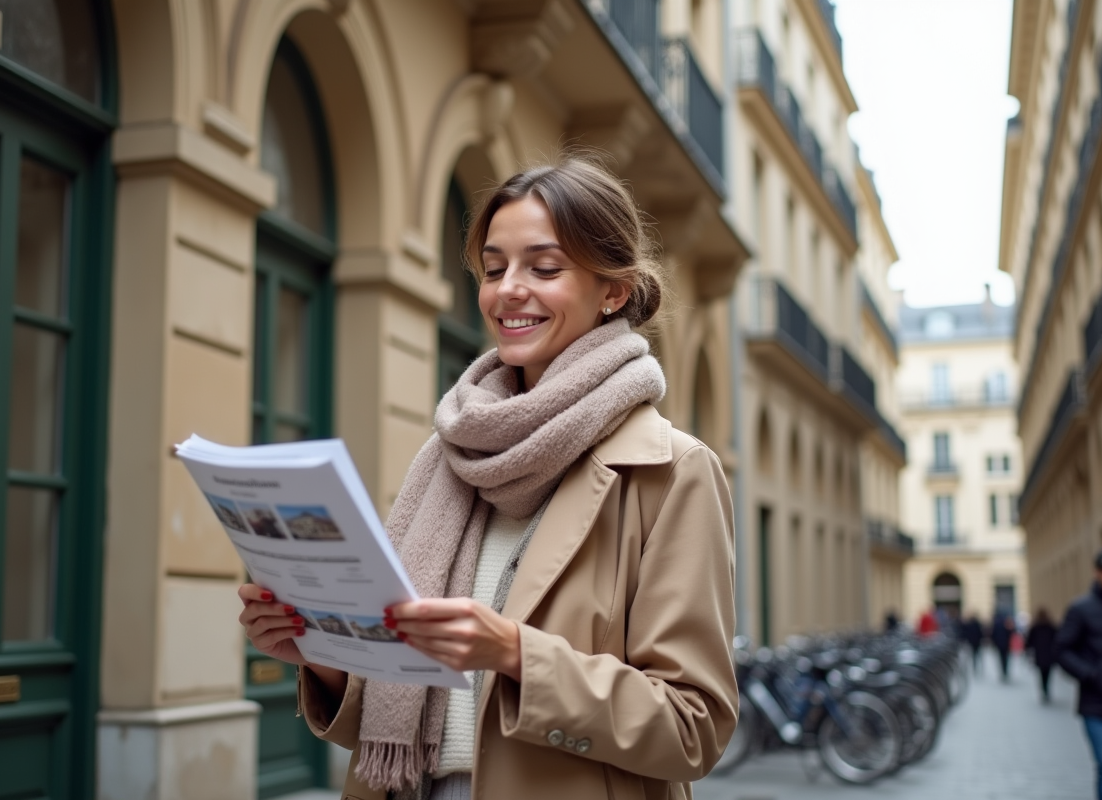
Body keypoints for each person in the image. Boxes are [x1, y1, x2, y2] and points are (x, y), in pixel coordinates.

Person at [237, 156, 738, 800]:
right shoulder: (452, 454)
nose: (508, 290)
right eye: (494, 268)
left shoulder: (672, 470)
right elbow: (409, 707)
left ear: (613, 291)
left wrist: (516, 654)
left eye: (544, 267)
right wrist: (323, 655)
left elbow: (692, 727)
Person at [1057, 546, 1102, 800]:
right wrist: (1090, 674)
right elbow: (1063, 650)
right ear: (1097, 573)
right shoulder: (1081, 609)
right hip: (1096, 705)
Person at [1024, 608, 1058, 703]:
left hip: (1039, 654)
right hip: (1049, 654)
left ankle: (1043, 690)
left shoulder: (1035, 627)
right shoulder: (1051, 626)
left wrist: (1027, 651)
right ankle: (1046, 690)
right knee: (1048, 674)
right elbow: (1057, 639)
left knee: (1041, 674)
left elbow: (1029, 641)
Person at [991, 610, 1015, 682]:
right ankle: (1005, 671)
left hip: (1000, 644)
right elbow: (1011, 633)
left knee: (1001, 659)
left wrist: (994, 643)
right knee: (1005, 659)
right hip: (1006, 644)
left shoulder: (996, 624)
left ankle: (1003, 672)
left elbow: (993, 634)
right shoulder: (1006, 623)